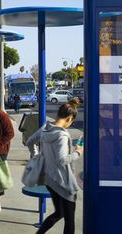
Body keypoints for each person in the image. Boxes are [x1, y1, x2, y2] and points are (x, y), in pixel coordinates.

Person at [26, 98, 83, 234]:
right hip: (65, 181)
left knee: (59, 213)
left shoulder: (45, 127)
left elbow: (30, 141)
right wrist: (78, 152)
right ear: (69, 118)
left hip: (50, 180)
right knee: (69, 219)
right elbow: (62, 160)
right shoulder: (62, 136)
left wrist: (37, 156)